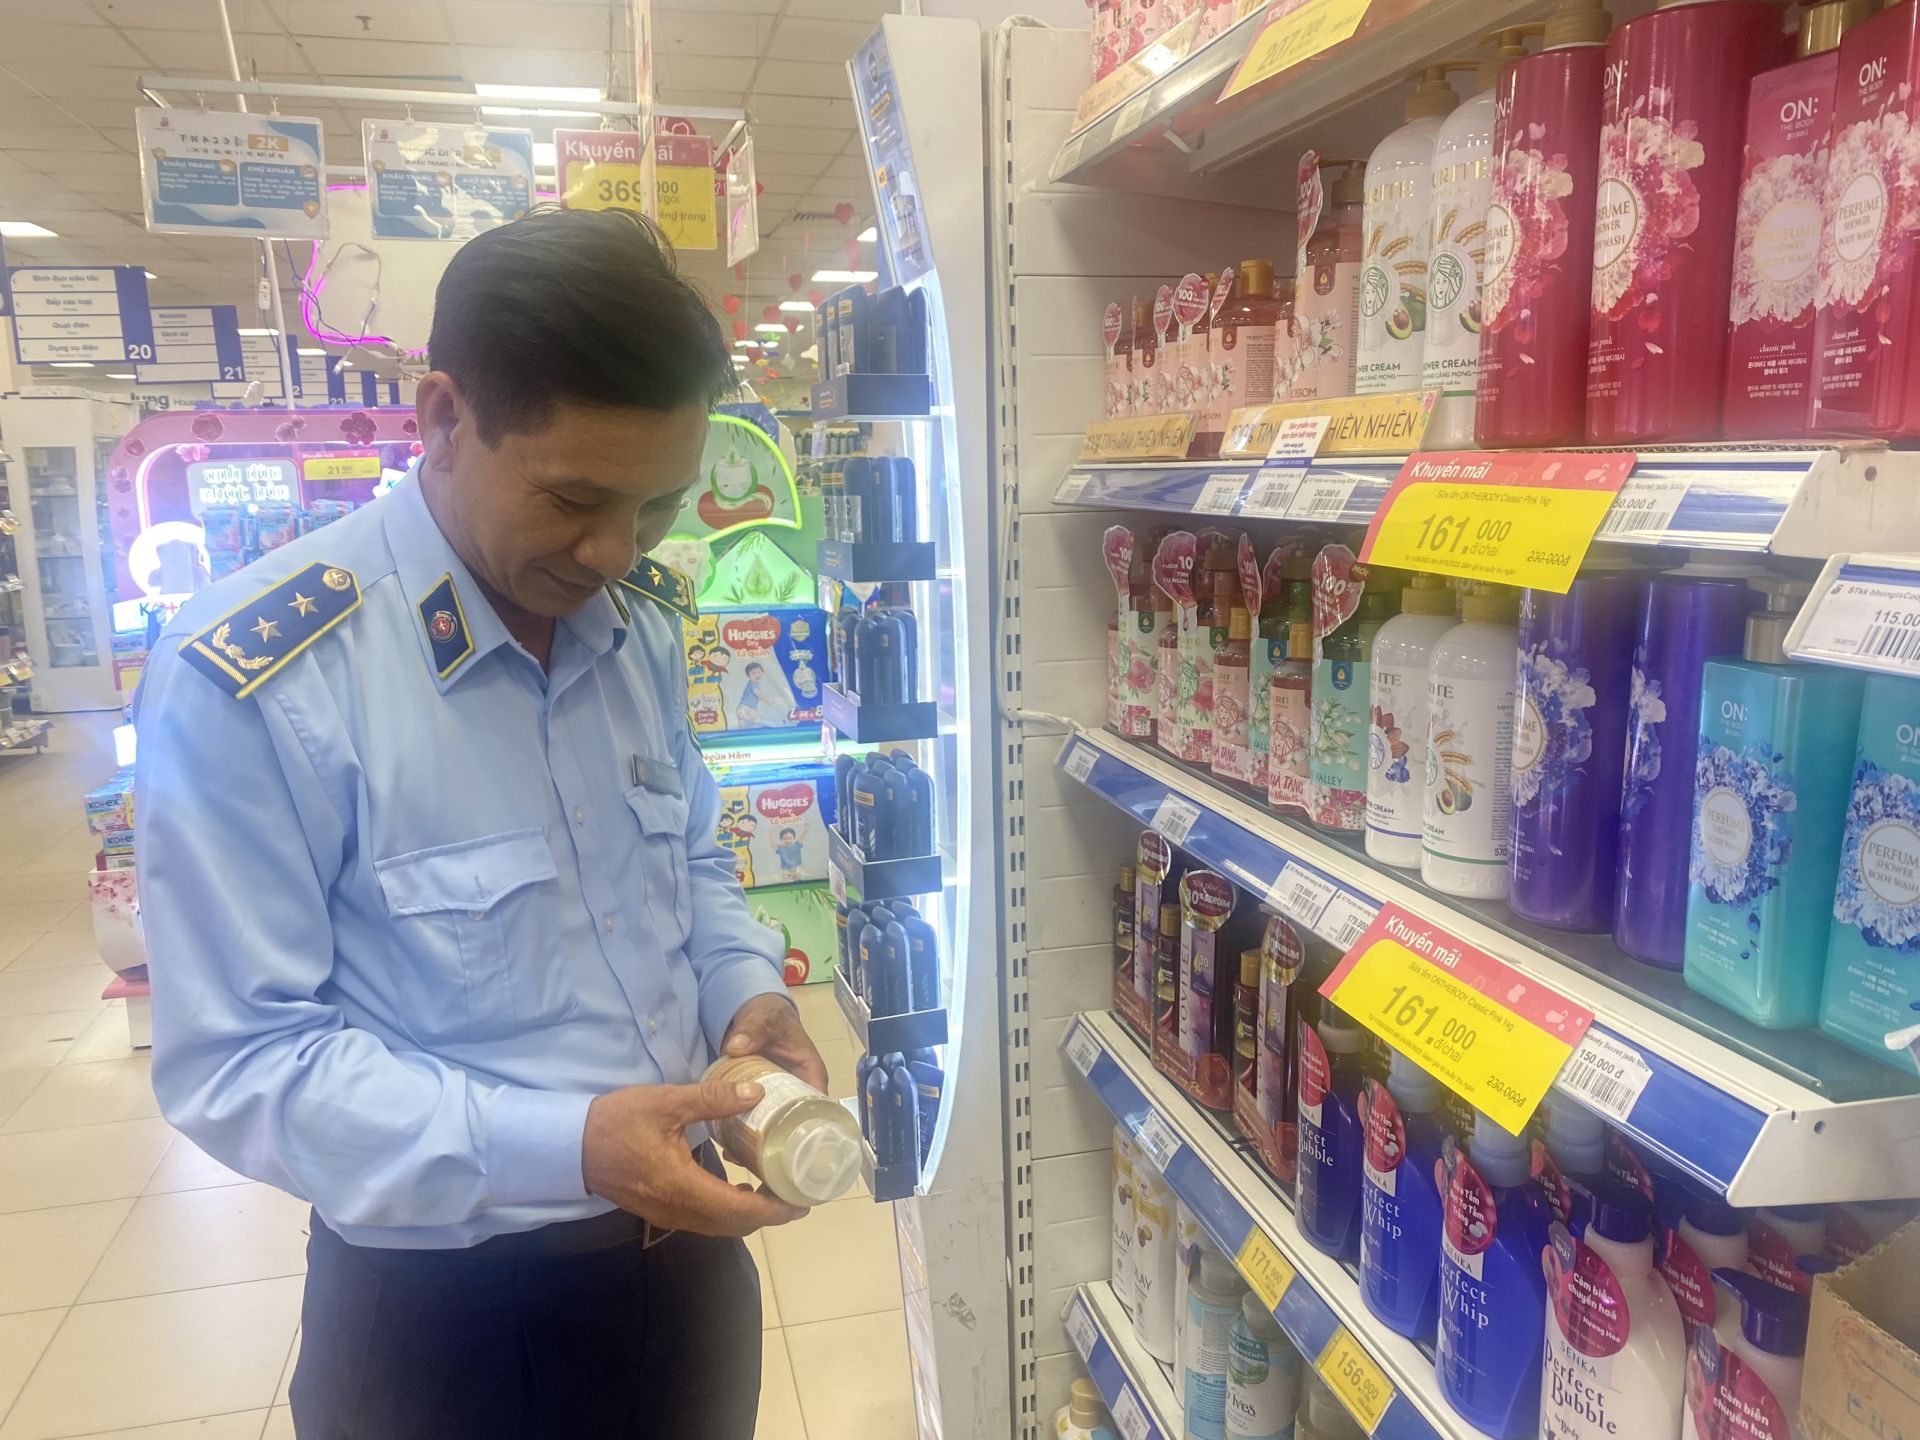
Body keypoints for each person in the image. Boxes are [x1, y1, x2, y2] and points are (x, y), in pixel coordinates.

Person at [135, 207, 825, 1440]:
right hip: (445, 1325)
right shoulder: (265, 680)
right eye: (574, 498)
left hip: (686, 1277)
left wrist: (743, 991)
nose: (613, 551)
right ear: (444, 418)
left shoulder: (638, 629)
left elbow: (691, 853)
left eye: (659, 506)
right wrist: (574, 1147)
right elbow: (239, 1062)